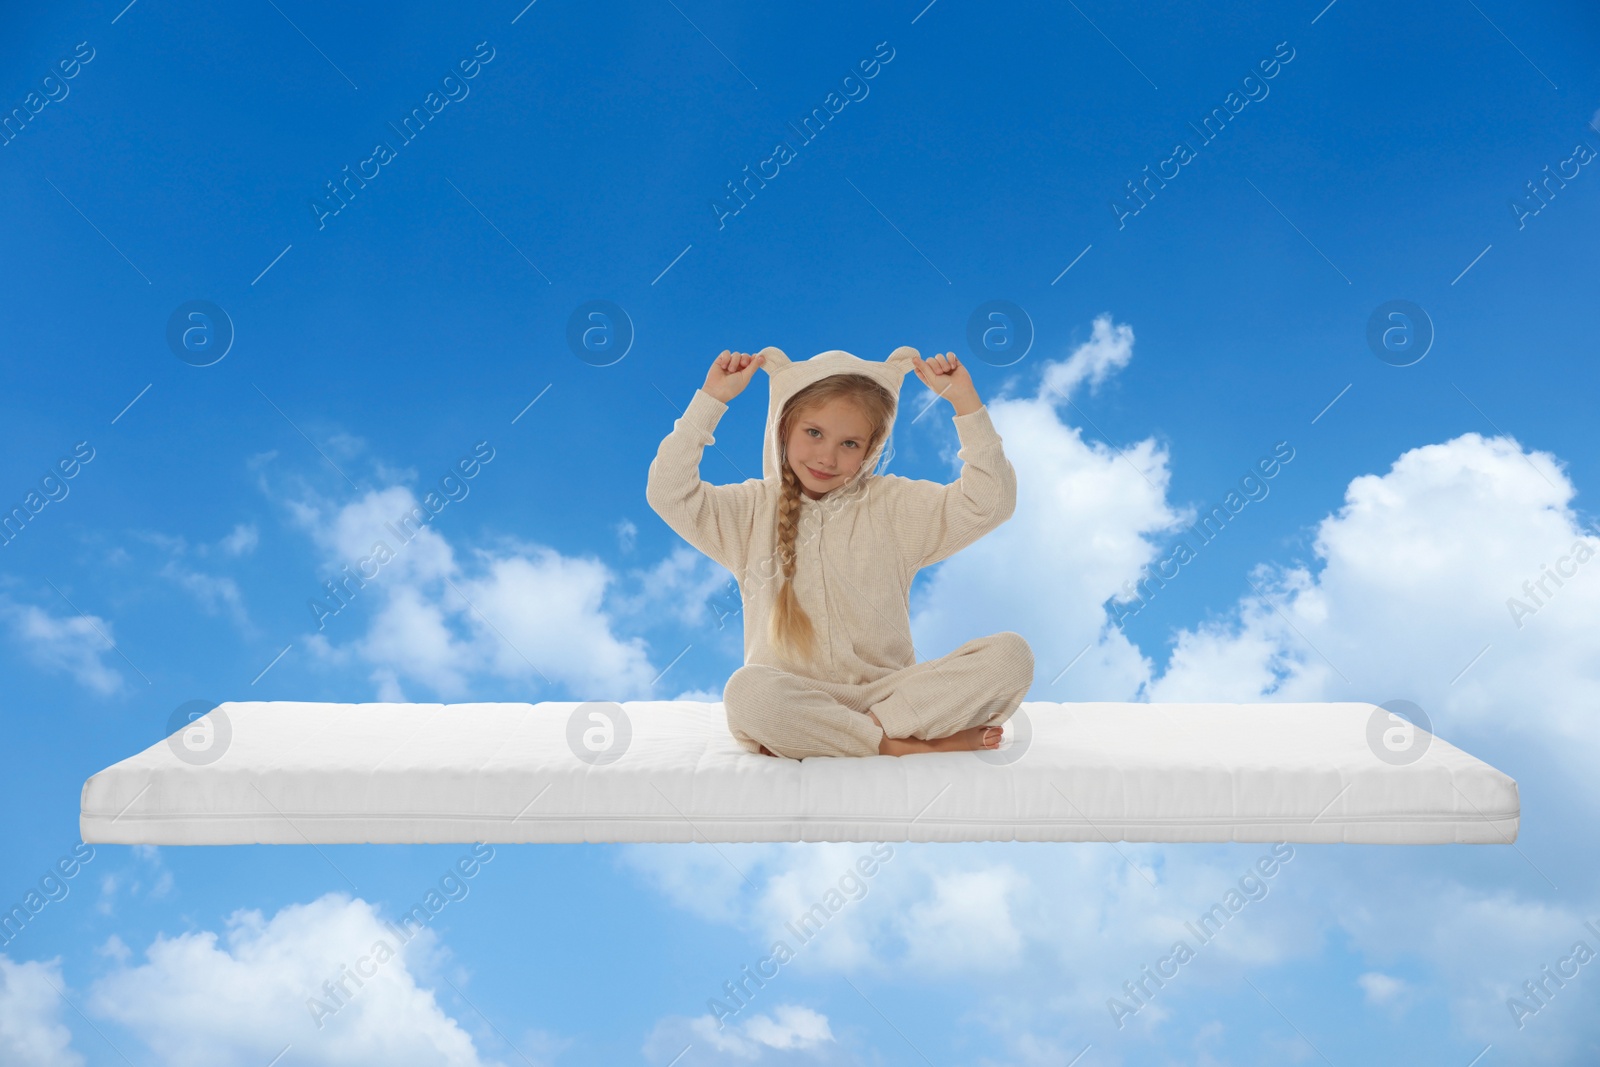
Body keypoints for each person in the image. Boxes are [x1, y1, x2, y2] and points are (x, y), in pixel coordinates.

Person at [645, 344, 1034, 758]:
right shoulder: (750, 510)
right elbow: (668, 493)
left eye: (850, 444)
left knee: (1011, 656)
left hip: (892, 696)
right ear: (783, 430)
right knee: (746, 691)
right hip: (795, 696)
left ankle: (856, 736)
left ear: (871, 449)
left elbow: (991, 501)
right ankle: (901, 747)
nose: (827, 457)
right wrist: (711, 400)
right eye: (814, 433)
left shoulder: (895, 505)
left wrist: (965, 403)